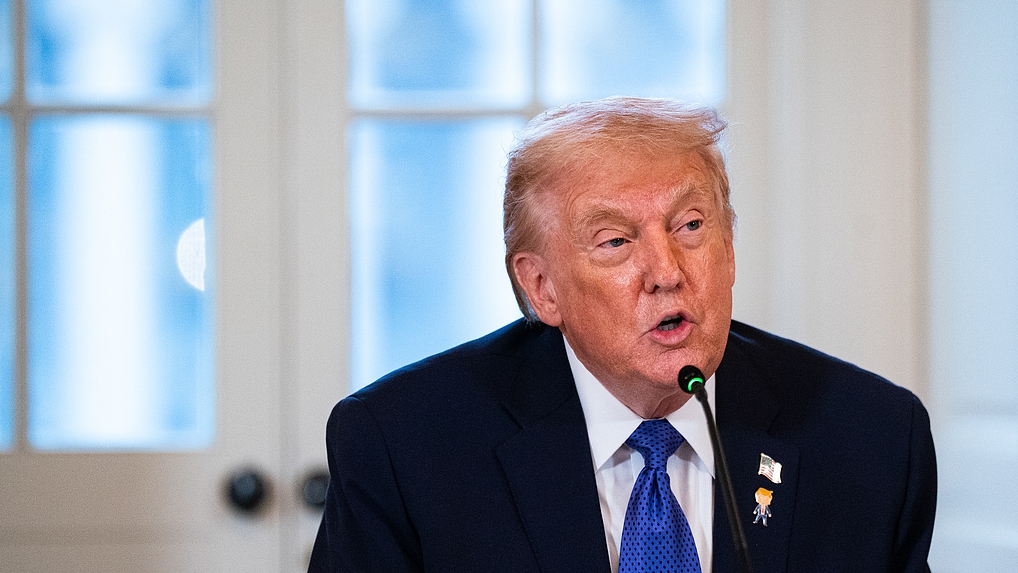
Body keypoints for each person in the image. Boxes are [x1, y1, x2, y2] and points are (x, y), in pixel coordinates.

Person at [309, 97, 937, 572]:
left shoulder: (870, 439)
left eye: (691, 226)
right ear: (541, 288)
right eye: (616, 241)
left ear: (730, 247)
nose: (667, 273)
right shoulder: (404, 444)